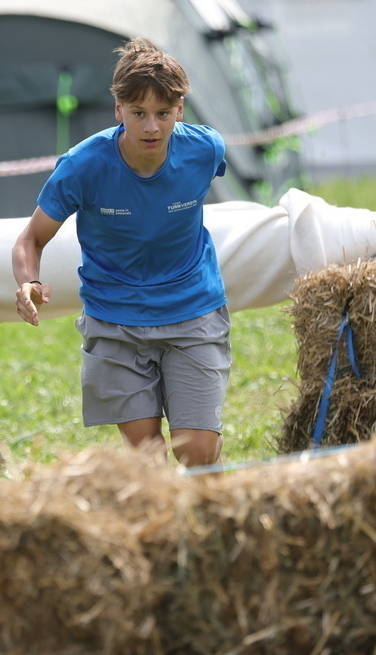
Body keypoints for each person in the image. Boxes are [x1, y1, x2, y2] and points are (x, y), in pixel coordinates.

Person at [12, 37, 229, 467]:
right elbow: (30, 239)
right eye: (138, 113)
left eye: (163, 113)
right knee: (149, 460)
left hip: (193, 312)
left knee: (199, 453)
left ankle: (210, 511)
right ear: (118, 110)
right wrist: (28, 282)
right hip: (115, 323)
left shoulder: (206, 150)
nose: (151, 127)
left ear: (180, 110)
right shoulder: (83, 166)